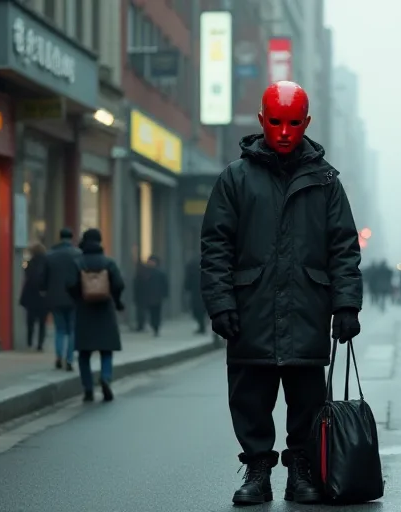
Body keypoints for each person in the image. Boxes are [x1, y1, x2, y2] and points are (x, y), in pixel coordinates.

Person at [201, 80, 363, 506]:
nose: (285, 131)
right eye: (276, 122)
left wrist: (346, 303)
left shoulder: (326, 181)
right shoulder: (235, 179)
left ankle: (301, 470)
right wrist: (220, 302)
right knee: (250, 396)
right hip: (250, 309)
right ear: (261, 121)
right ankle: (257, 470)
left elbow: (344, 245)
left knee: (307, 398)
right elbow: (216, 245)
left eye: (294, 123)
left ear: (307, 123)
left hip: (307, 308)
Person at [67, 228, 126, 403]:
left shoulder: (77, 262)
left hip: (84, 311)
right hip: (104, 310)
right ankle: (106, 378)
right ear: (100, 242)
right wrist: (116, 300)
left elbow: (70, 284)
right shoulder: (108, 262)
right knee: (106, 350)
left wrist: (79, 297)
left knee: (84, 353)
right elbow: (119, 283)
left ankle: (88, 389)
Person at [44, 228, 82, 371]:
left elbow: (44, 277)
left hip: (55, 297)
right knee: (72, 329)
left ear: (59, 238)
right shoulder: (78, 254)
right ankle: (70, 359)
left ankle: (58, 356)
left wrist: (44, 291)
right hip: (74, 298)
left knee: (59, 329)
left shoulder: (50, 255)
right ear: (72, 238)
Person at [19, 243, 48, 350]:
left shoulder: (29, 262)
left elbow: (24, 270)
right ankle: (40, 343)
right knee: (42, 322)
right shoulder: (47, 262)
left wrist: (25, 259)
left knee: (30, 320)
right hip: (43, 295)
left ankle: (29, 342)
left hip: (30, 295)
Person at [134, 255, 169, 336]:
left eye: (152, 262)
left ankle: (155, 327)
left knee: (155, 313)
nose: (151, 263)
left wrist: (164, 295)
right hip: (145, 297)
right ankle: (142, 325)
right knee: (144, 312)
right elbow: (137, 285)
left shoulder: (160, 273)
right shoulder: (143, 273)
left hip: (156, 297)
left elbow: (165, 285)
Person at [184, 257, 207, 334]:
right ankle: (202, 326)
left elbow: (187, 284)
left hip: (197, 295)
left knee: (198, 311)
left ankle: (202, 326)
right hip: (203, 294)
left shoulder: (192, 272)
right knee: (201, 311)